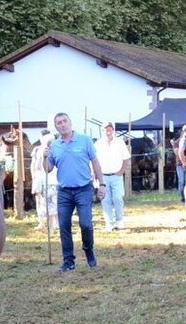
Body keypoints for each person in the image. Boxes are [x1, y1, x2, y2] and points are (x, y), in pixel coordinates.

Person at [43, 112, 106, 272]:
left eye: (64, 121)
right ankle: (68, 261)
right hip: (64, 191)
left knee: (86, 224)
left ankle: (88, 250)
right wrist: (44, 157)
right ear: (56, 127)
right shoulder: (54, 146)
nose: (62, 124)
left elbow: (95, 162)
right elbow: (48, 169)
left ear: (70, 123)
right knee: (64, 226)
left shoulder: (85, 140)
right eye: (59, 123)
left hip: (84, 189)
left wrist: (102, 184)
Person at [94, 122, 131, 231]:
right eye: (106, 129)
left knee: (118, 198)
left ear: (113, 130)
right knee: (105, 200)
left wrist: (121, 171)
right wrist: (95, 174)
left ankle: (120, 220)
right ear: (102, 131)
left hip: (116, 175)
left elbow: (126, 158)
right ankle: (109, 223)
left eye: (110, 129)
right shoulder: (98, 144)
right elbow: (94, 160)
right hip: (103, 176)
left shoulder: (119, 142)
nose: (108, 131)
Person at [29, 130, 59, 233]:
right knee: (47, 204)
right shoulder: (39, 150)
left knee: (50, 204)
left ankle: (53, 225)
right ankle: (46, 224)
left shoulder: (50, 151)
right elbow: (36, 166)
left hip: (51, 181)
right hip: (45, 180)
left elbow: (38, 166)